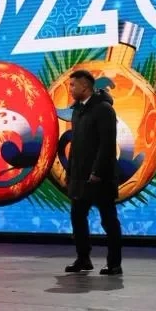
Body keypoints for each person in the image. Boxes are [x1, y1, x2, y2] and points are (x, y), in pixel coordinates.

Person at [64, 69, 123, 276]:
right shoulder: (77, 111)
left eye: (73, 85)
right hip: (80, 177)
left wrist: (97, 171)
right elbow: (76, 145)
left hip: (101, 177)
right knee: (77, 216)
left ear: (85, 86)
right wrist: (70, 172)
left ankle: (114, 264)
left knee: (108, 220)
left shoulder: (104, 109)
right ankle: (83, 259)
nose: (70, 89)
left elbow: (107, 145)